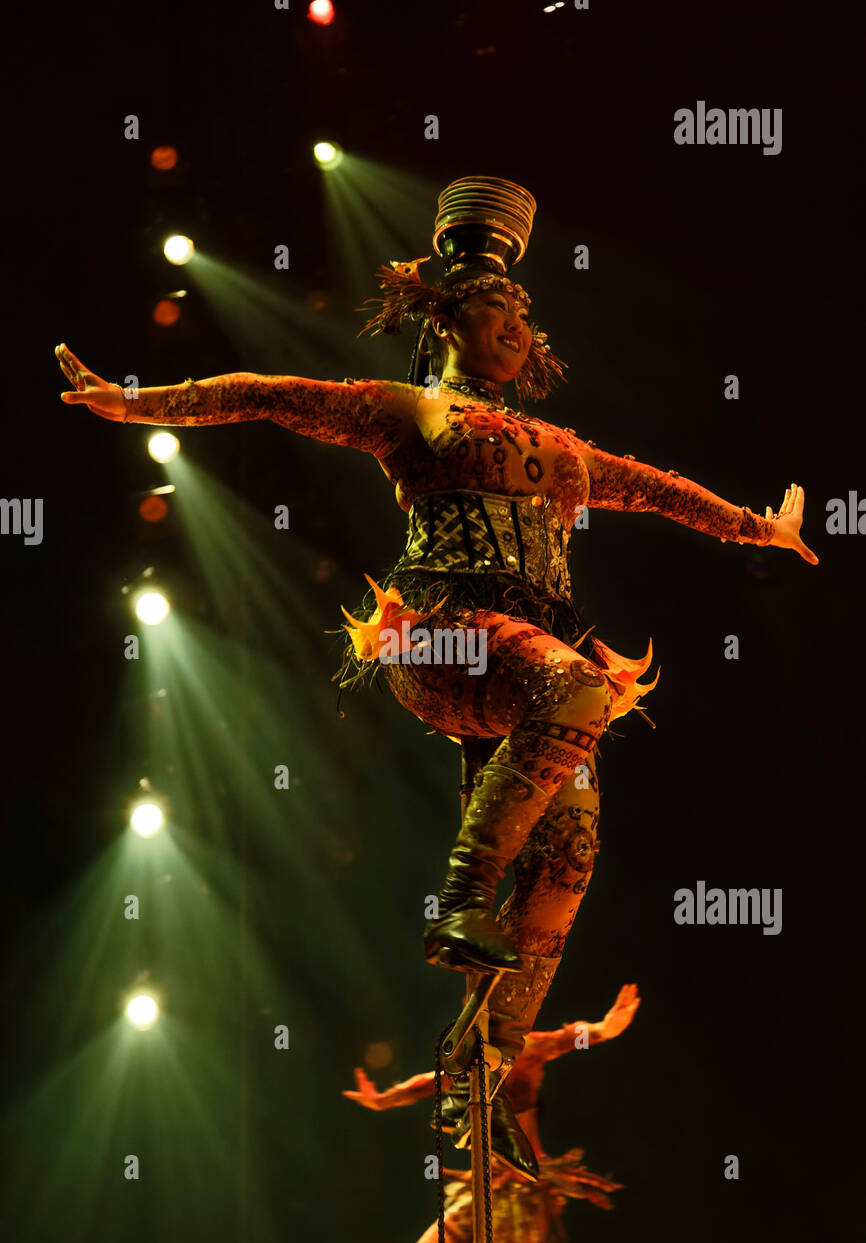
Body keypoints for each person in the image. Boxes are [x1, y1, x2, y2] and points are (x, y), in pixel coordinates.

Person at [55, 175, 817, 1182]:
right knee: (577, 693)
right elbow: (273, 399)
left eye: (521, 310)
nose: (516, 321)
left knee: (568, 862)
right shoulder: (410, 412)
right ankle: (456, 899)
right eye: (498, 307)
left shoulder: (556, 446)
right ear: (449, 315)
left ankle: (477, 1079)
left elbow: (654, 489)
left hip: (525, 666)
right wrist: (146, 401)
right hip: (445, 641)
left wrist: (753, 525)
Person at [342, 984, 640, 1243]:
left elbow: (566, 1040)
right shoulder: (468, 1059)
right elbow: (429, 1082)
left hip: (519, 1203)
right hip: (483, 1193)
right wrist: (385, 1100)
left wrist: (605, 1028)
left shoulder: (526, 1050)